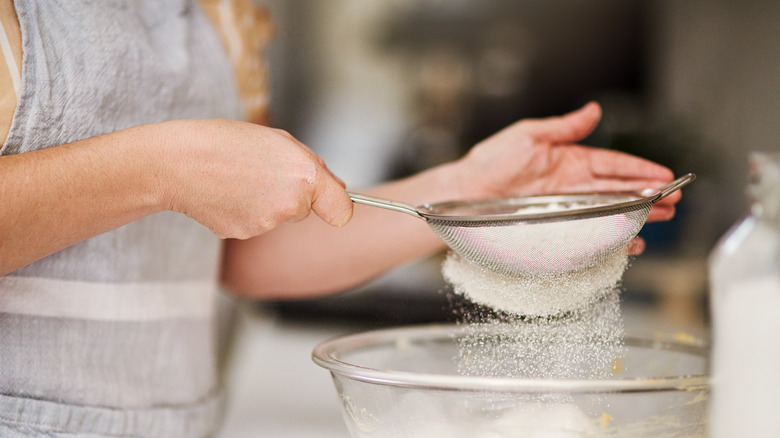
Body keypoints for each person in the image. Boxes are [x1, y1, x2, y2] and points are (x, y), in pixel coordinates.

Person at [0, 1, 680, 437]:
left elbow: (238, 250)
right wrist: (162, 166)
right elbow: (169, 179)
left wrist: (466, 195)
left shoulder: (222, 14)